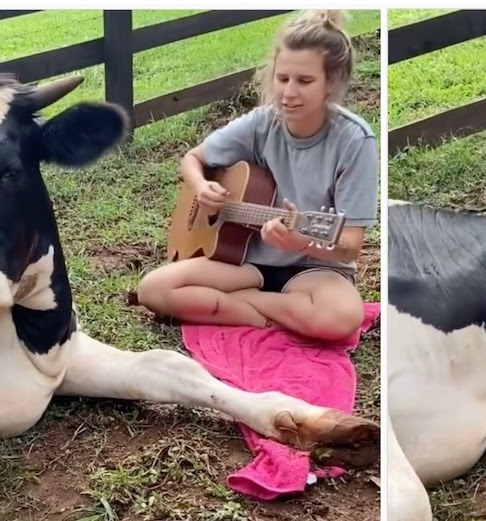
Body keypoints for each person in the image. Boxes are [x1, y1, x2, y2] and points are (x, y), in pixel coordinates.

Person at [136, 10, 378, 342]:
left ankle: (240, 307)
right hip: (245, 262)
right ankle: (274, 314)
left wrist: (303, 242)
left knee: (341, 318)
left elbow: (349, 247)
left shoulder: (354, 141)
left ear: (330, 83)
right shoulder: (262, 123)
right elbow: (193, 158)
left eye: (304, 81)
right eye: (282, 79)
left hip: (314, 270)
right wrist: (201, 186)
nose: (288, 93)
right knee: (153, 289)